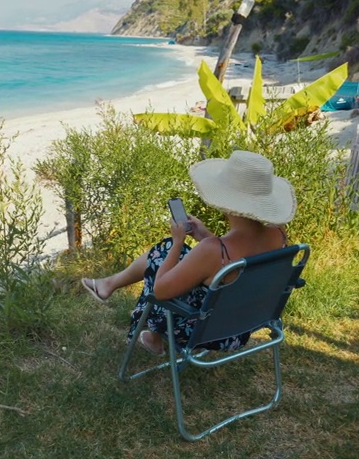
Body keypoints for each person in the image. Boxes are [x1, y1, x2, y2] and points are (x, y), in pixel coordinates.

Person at [81, 150, 295, 355]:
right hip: (243, 326)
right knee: (175, 256)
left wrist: (177, 241)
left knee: (164, 252)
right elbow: (230, 265)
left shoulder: (213, 250)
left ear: (226, 201)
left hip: (206, 331)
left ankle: (150, 331)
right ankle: (109, 285)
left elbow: (161, 291)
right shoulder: (279, 234)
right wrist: (204, 237)